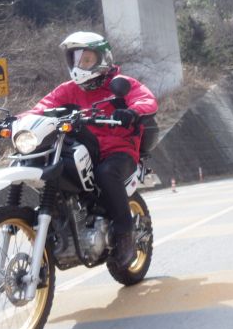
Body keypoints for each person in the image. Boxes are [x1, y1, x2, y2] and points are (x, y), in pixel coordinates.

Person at [25, 31, 158, 267]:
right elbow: (40, 109)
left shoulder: (120, 84)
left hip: (119, 149)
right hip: (85, 149)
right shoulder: (68, 89)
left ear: (102, 58)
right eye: (75, 59)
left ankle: (124, 233)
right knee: (56, 171)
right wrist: (15, 122)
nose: (80, 65)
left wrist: (132, 111)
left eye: (86, 59)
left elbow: (146, 99)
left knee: (106, 173)